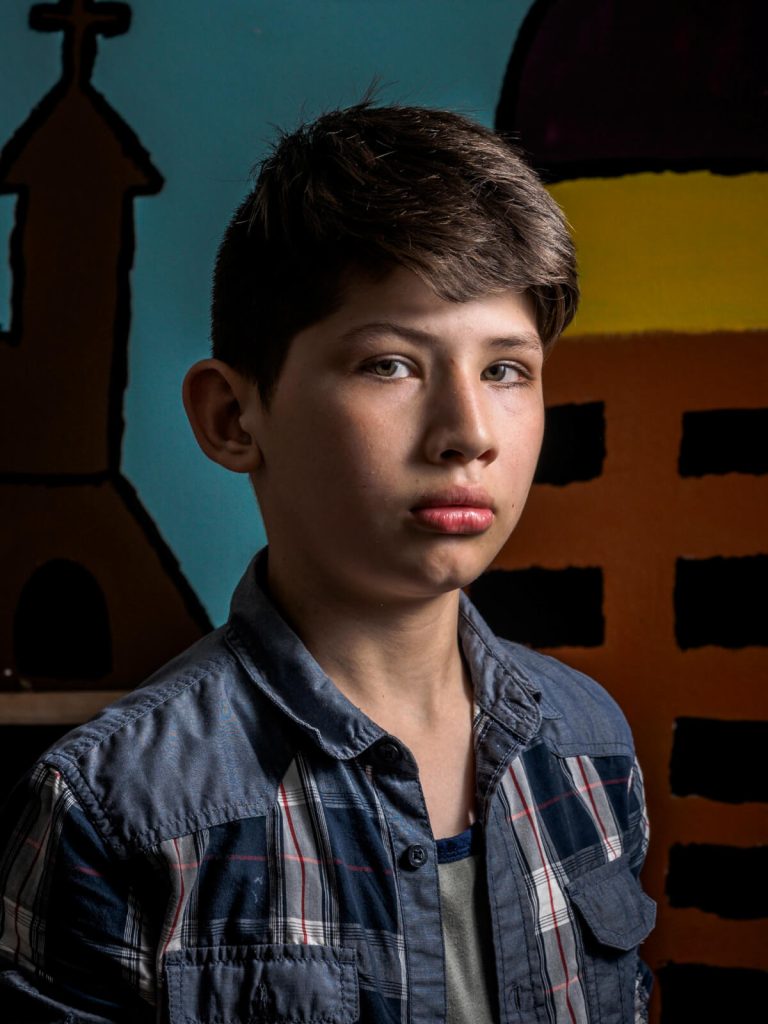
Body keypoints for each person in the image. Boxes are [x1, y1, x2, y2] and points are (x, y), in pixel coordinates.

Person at [0, 101, 655, 1024]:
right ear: (234, 418)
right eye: (391, 364)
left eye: (505, 369)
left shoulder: (592, 746)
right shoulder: (112, 809)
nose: (468, 433)